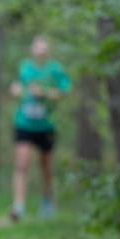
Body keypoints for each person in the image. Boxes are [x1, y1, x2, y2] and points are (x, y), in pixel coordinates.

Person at [9, 35, 71, 222]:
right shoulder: (24, 67)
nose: (40, 53)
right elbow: (17, 86)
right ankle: (18, 206)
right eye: (37, 49)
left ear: (47, 52)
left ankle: (48, 201)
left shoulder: (54, 70)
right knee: (22, 162)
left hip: (46, 125)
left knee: (45, 166)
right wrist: (15, 90)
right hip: (24, 122)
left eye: (43, 50)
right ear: (32, 50)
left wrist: (44, 93)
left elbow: (64, 91)